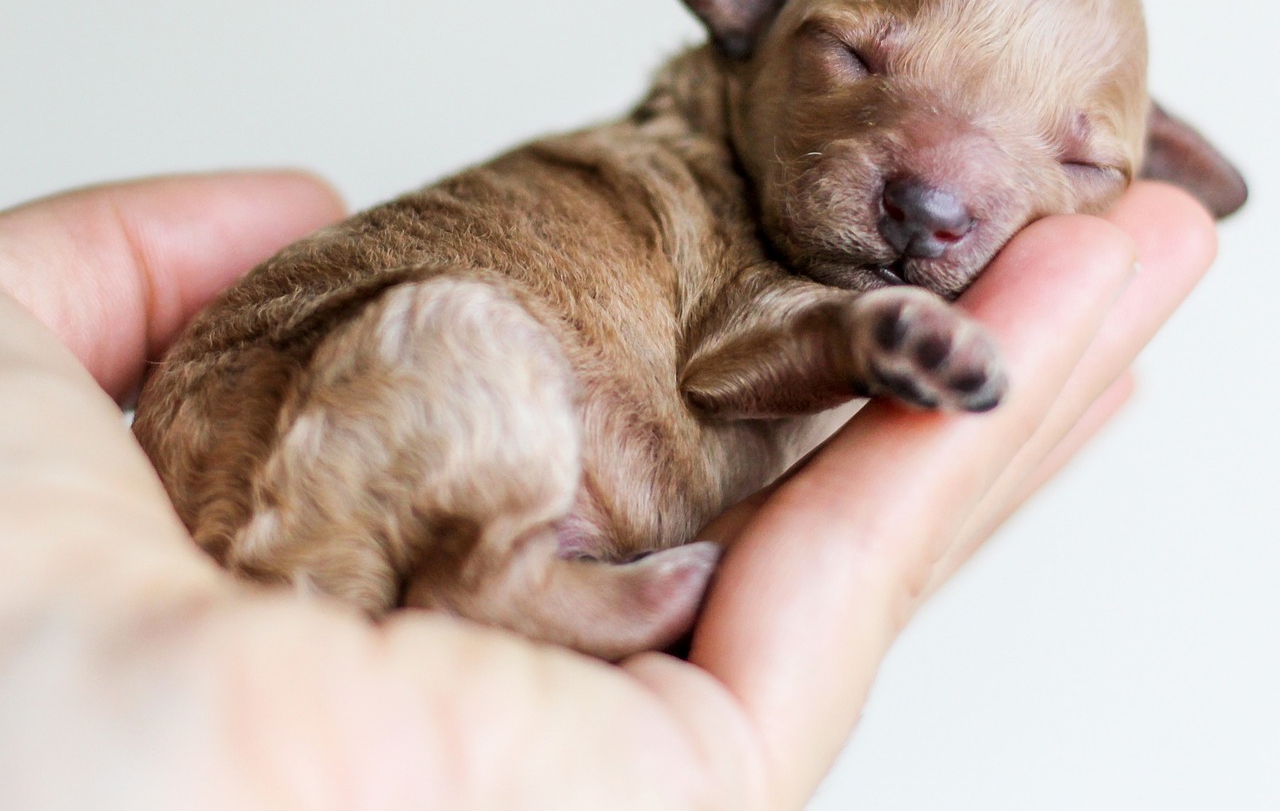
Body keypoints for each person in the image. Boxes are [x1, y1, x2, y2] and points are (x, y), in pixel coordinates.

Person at [0, 168, 1214, 811]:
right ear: (750, 7)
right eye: (856, 57)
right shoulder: (695, 188)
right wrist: (851, 337)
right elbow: (728, 359)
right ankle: (509, 581)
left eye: (1071, 156)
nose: (937, 191)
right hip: (355, 442)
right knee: (463, 346)